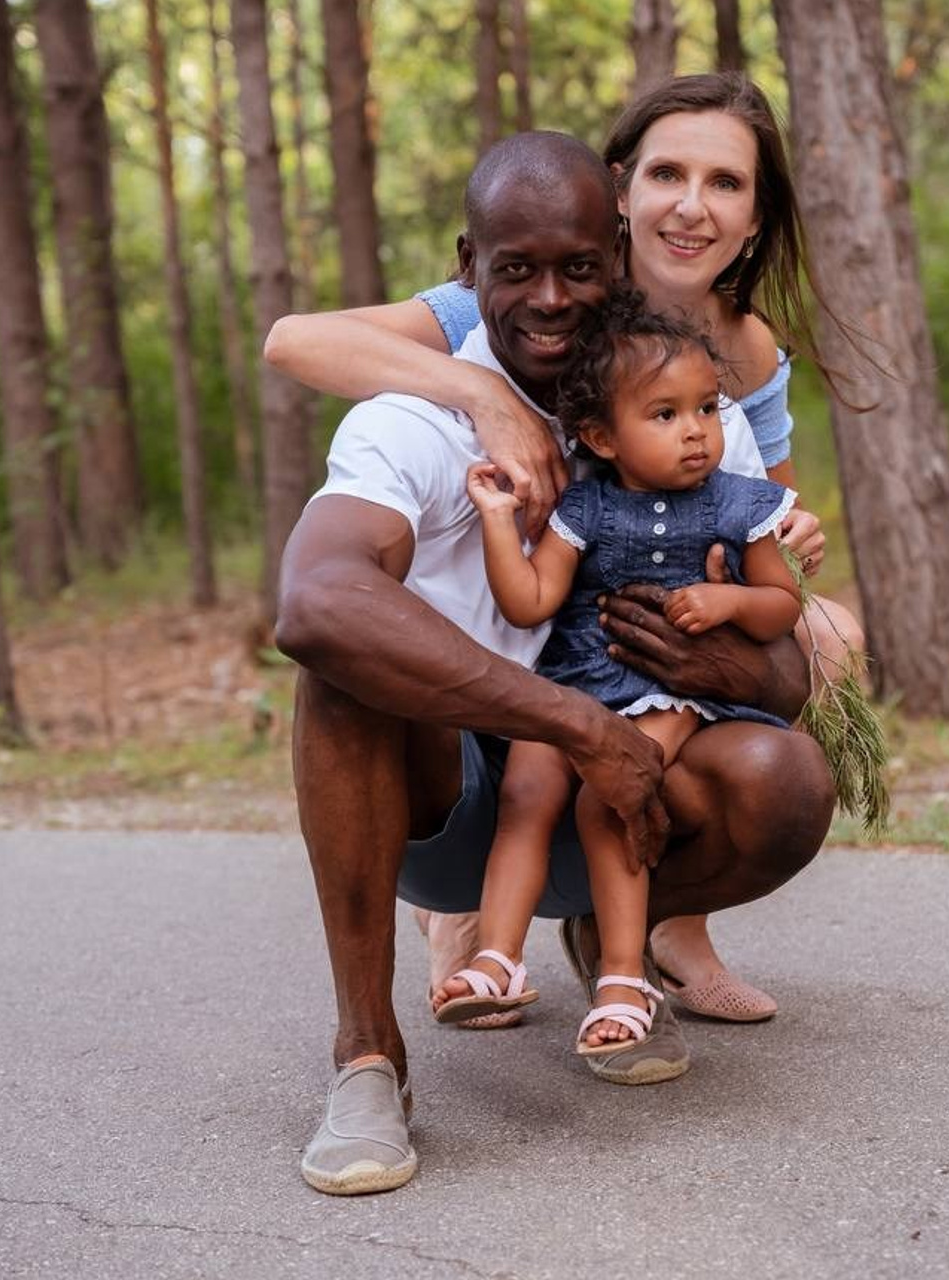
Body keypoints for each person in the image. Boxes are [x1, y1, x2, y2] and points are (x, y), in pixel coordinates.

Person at [275, 131, 834, 1193]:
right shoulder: (412, 415)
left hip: (625, 789)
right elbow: (312, 599)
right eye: (515, 269)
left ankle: (611, 932)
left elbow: (787, 682)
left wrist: (711, 659)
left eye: (578, 267)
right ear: (465, 266)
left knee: (785, 778)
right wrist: (574, 723)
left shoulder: (686, 411)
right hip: (452, 793)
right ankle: (364, 1057)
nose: (548, 298)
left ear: (617, 260)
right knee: (341, 667)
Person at [433, 295, 801, 1061]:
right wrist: (501, 522)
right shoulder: (583, 508)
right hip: (573, 682)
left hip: (669, 691)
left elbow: (780, 606)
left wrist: (729, 597)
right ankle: (496, 961)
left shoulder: (739, 502)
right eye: (664, 414)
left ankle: (624, 980)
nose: (697, 429)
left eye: (705, 407)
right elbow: (530, 599)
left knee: (614, 800)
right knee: (526, 796)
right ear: (601, 435)